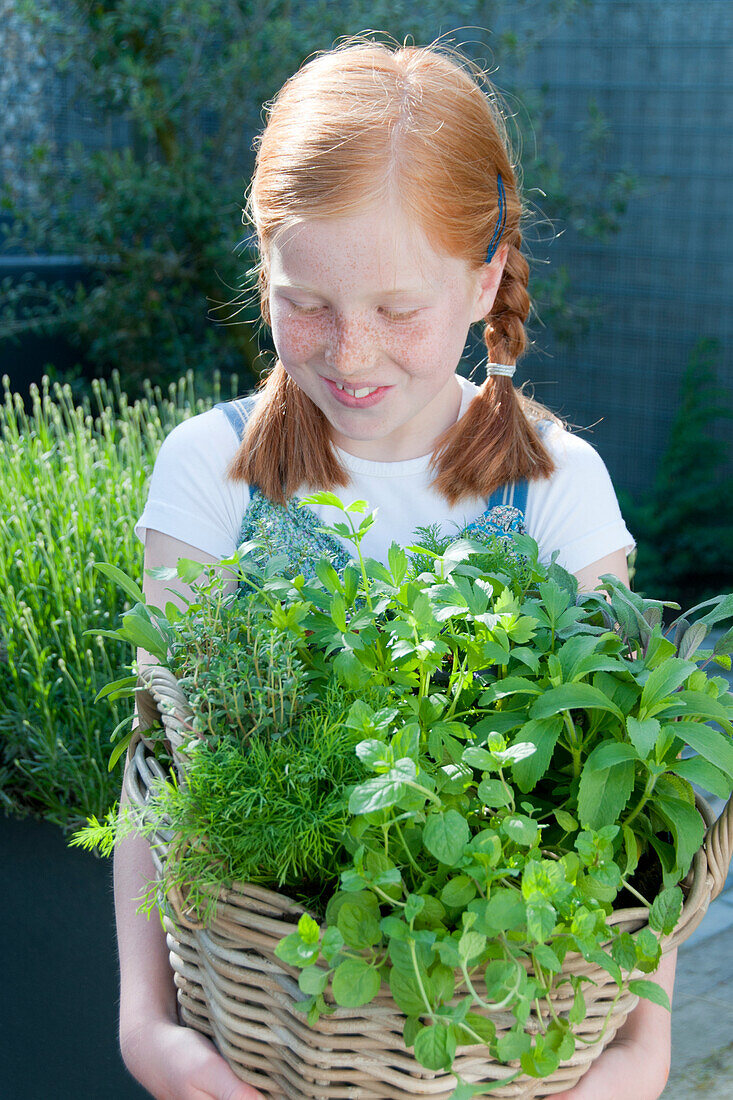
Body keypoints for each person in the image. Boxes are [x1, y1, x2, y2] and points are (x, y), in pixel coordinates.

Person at [116, 34, 674, 1100]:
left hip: (504, 1053)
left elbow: (627, 817)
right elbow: (160, 765)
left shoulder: (558, 487)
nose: (349, 351)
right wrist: (151, 1029)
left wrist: (639, 1057)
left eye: (397, 310)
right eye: (306, 301)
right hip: (262, 1045)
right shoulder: (208, 473)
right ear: (263, 266)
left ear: (482, 283)